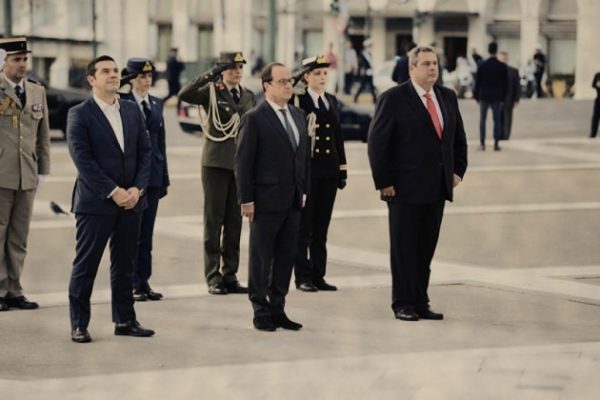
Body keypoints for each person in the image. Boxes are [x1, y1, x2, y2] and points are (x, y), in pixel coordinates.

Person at [367, 45, 468, 322]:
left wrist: (458, 171)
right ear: (412, 68)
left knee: (425, 248)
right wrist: (384, 182)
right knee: (404, 249)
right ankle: (403, 303)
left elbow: (458, 139)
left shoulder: (447, 97)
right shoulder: (393, 98)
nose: (432, 68)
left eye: (435, 63)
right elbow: (377, 144)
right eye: (426, 64)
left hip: (436, 188)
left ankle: (421, 301)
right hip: (404, 189)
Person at [67, 55, 153, 343]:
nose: (114, 75)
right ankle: (79, 324)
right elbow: (83, 161)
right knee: (86, 265)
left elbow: (145, 152)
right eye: (106, 71)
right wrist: (114, 191)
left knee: (125, 265)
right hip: (96, 203)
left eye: (116, 70)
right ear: (92, 79)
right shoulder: (80, 114)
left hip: (131, 202)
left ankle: (125, 320)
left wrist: (137, 189)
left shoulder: (131, 109)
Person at [235, 62, 310, 332]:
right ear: (267, 85)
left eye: (290, 81)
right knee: (261, 257)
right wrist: (246, 200)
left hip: (292, 199)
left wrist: (303, 190)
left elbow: (302, 158)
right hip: (265, 201)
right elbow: (243, 163)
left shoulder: (298, 115)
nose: (289, 86)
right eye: (283, 82)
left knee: (285, 257)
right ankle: (260, 310)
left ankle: (278, 308)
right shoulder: (255, 118)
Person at [179, 52, 255, 295]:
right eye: (231, 67)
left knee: (234, 222)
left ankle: (230, 274)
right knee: (214, 221)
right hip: (215, 163)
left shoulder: (248, 95)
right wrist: (210, 74)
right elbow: (184, 94)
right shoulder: (211, 91)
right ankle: (213, 275)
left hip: (240, 165)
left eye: (240, 67)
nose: (237, 71)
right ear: (222, 70)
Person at [0, 36, 50, 312]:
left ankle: (14, 290)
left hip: (27, 174)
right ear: (4, 62)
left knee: (19, 236)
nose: (22, 64)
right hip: (1, 173)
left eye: (24, 59)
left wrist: (43, 170)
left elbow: (43, 136)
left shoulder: (36, 91)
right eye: (16, 59)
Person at [291, 55, 347, 292]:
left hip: (329, 171)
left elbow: (338, 136)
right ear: (306, 77)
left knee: (321, 227)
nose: (323, 77)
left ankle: (318, 275)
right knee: (303, 227)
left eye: (325, 73)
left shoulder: (330, 100)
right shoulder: (298, 99)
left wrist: (342, 169)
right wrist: (297, 79)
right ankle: (302, 277)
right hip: (308, 171)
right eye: (317, 73)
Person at [119, 58, 170, 301]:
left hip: (154, 176)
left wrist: (165, 178)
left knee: (147, 234)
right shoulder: (122, 102)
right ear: (131, 79)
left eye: (149, 76)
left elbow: (161, 142)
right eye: (141, 76)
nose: (146, 80)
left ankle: (143, 282)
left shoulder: (157, 103)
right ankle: (130, 283)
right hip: (132, 177)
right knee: (131, 234)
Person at [473, 42, 507, 151]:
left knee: (482, 120)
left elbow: (477, 82)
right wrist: (503, 97)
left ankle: (482, 143)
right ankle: (496, 144)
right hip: (497, 97)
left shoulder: (482, 65)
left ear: (488, 50)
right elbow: (505, 84)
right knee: (497, 120)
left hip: (484, 96)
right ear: (496, 51)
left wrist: (476, 96)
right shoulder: (502, 66)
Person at [498, 52, 521, 140]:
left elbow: (517, 86)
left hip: (509, 99)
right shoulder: (495, 71)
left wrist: (516, 99)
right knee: (498, 118)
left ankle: (506, 135)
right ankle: (499, 134)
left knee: (508, 118)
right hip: (498, 99)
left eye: (504, 59)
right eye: (501, 59)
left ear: (507, 59)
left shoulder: (513, 71)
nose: (502, 61)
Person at [353, 39, 377, 104]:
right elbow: (362, 64)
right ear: (366, 47)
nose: (370, 47)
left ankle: (374, 100)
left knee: (372, 87)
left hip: (370, 73)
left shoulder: (370, 54)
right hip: (365, 74)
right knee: (362, 87)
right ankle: (355, 98)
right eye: (369, 46)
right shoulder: (363, 54)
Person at [590, 71, 600, 138]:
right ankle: (593, 133)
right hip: (599, 99)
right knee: (596, 117)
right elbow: (593, 85)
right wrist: (597, 84)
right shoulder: (597, 75)